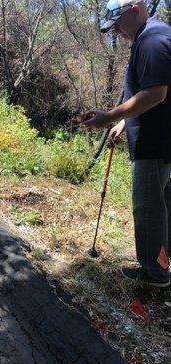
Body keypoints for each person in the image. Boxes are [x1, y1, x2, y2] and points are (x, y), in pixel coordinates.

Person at [80, 0, 171, 287]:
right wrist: (123, 122)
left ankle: (154, 275)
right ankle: (160, 263)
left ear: (135, 8)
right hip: (159, 137)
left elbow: (155, 94)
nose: (117, 30)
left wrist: (109, 116)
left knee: (147, 208)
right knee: (162, 205)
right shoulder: (154, 35)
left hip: (153, 142)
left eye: (118, 23)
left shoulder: (152, 41)